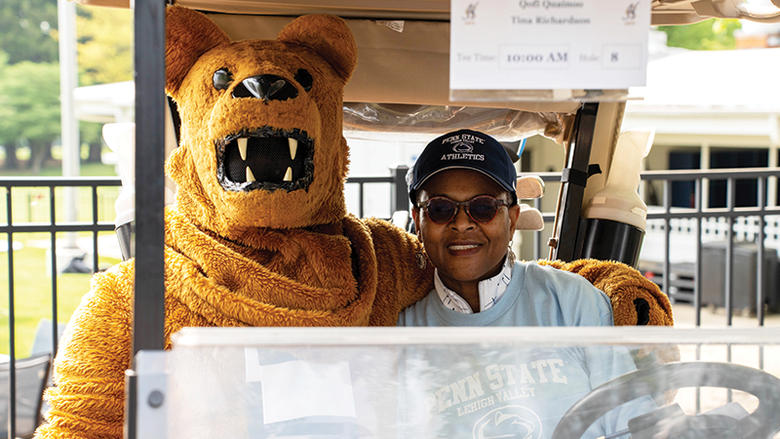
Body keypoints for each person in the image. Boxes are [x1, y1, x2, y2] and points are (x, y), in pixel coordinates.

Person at [396, 129, 655, 439]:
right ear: (418, 221)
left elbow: (633, 426)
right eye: (440, 208)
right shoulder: (398, 332)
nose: (462, 223)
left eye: (483, 207)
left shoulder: (572, 302)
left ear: (512, 219)